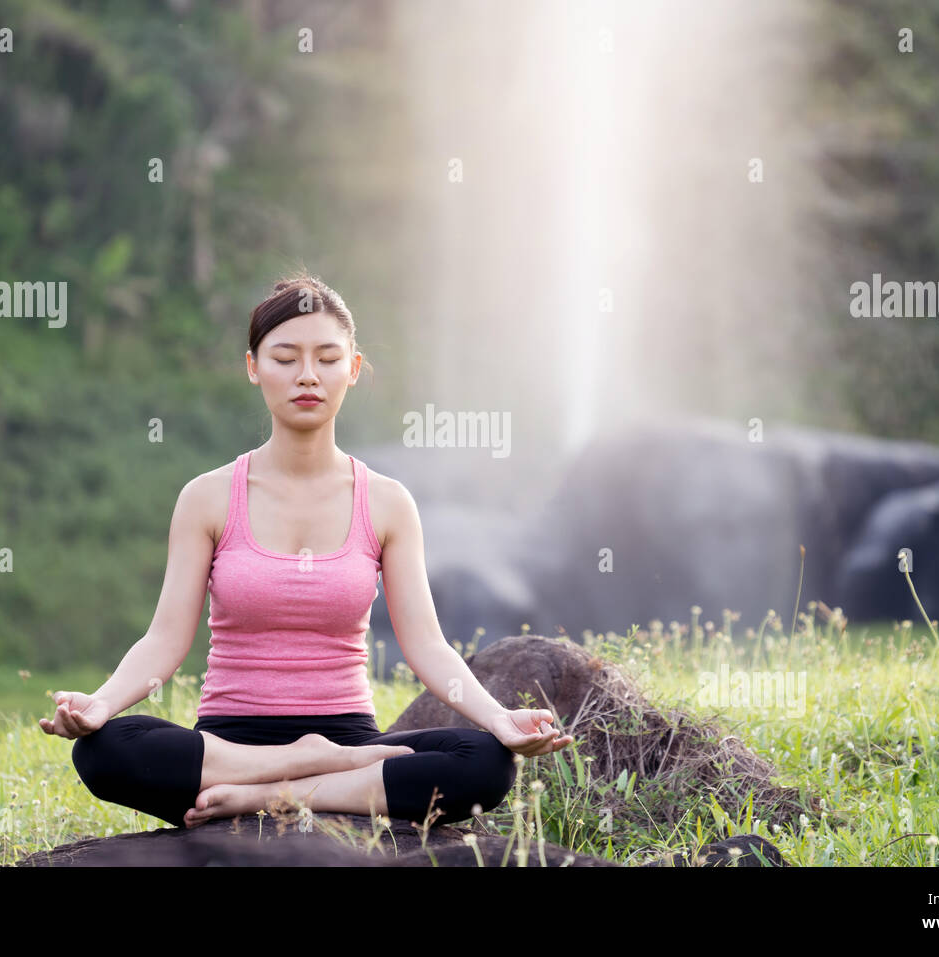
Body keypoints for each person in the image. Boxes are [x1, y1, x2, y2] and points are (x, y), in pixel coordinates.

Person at [39, 271, 572, 830]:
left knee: (487, 762)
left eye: (327, 358)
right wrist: (100, 705)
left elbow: (427, 646)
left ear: (354, 369)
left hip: (347, 738)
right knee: (104, 749)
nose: (308, 376)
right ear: (253, 367)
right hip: (228, 743)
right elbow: (165, 641)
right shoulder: (208, 497)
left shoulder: (387, 503)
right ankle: (306, 767)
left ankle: (271, 794)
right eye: (285, 358)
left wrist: (501, 719)